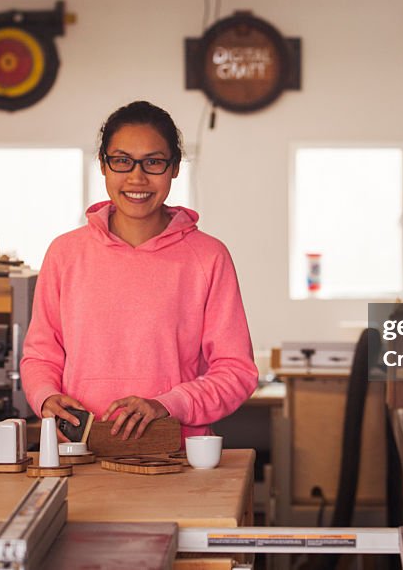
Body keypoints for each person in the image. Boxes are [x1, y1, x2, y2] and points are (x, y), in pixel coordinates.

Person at [20, 100, 259, 441]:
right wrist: (44, 395)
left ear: (174, 168)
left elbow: (237, 372)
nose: (137, 177)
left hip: (176, 456)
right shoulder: (65, 253)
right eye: (121, 161)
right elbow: (41, 355)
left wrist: (168, 404)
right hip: (79, 452)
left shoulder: (209, 257)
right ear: (103, 165)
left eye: (153, 162)